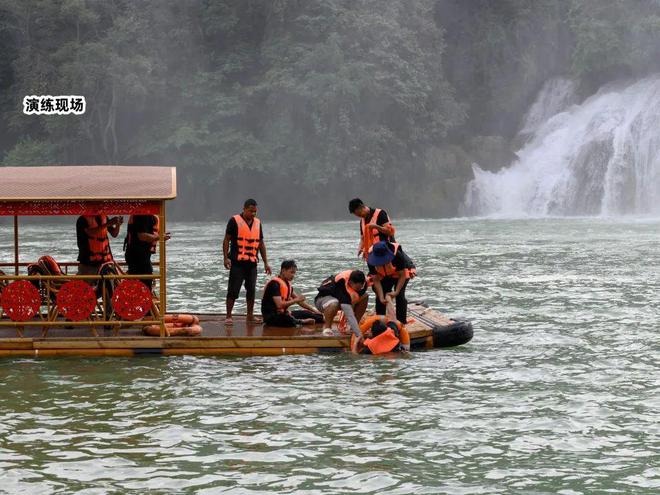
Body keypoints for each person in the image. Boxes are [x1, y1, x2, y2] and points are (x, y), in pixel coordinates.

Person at [223, 198, 271, 324]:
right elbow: (226, 239)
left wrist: (266, 262)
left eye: (255, 211)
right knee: (233, 290)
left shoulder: (257, 223)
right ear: (244, 209)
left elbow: (261, 243)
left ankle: (249, 316)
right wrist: (225, 258)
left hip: (252, 264)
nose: (253, 214)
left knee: (251, 290)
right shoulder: (234, 221)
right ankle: (228, 316)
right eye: (251, 211)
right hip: (237, 263)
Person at [314, 270, 369, 350]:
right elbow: (349, 314)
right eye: (357, 288)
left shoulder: (363, 283)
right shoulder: (342, 285)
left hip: (340, 300)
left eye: (360, 287)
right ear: (350, 282)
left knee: (365, 296)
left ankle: (353, 327)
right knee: (334, 303)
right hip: (323, 300)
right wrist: (359, 335)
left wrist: (355, 329)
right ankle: (327, 328)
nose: (358, 290)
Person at [261, 260, 324, 327]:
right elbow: (279, 305)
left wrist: (314, 311)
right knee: (286, 319)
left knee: (307, 313)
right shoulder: (274, 284)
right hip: (272, 317)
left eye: (294, 273)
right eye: (291, 272)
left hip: (283, 314)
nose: (293, 275)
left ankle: (325, 318)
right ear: (283, 271)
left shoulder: (287, 284)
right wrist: (296, 300)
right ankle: (301, 322)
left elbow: (300, 302)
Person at [367, 240, 416, 324]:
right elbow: (375, 279)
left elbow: (402, 275)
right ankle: (380, 322)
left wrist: (396, 292)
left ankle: (401, 322)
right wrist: (381, 296)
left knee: (400, 295)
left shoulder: (397, 255)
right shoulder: (370, 260)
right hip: (383, 274)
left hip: (400, 273)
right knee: (380, 297)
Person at [123, 214, 171, 289]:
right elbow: (141, 236)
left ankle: (143, 296)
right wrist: (159, 237)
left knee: (146, 279)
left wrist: (160, 236)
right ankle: (141, 298)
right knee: (143, 282)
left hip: (143, 256)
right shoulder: (142, 215)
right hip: (136, 256)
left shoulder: (148, 216)